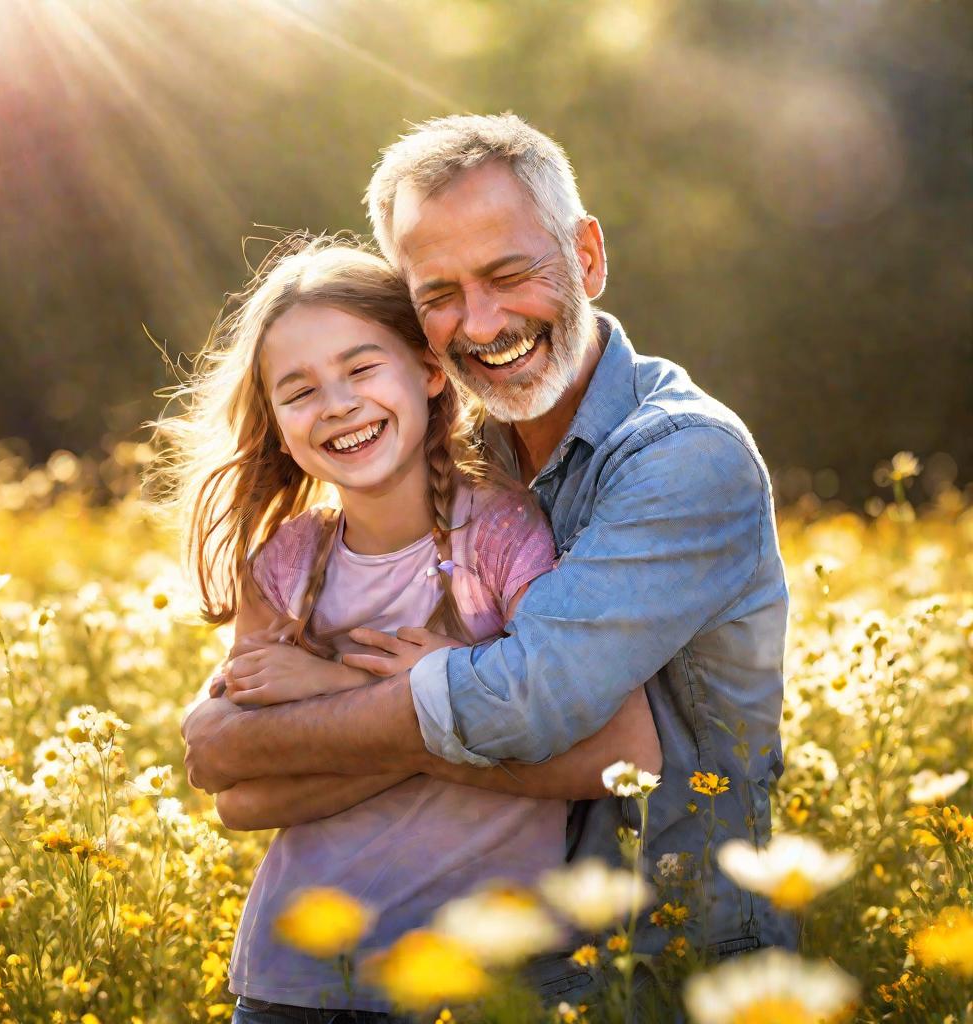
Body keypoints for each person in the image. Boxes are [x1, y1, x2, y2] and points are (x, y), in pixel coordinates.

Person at [183, 113, 789, 983]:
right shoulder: (459, 450)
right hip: (525, 964)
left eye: (511, 274)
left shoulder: (686, 456)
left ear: (586, 256)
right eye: (439, 294)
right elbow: (217, 755)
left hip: (683, 955)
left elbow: (529, 706)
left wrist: (318, 707)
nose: (482, 320)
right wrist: (321, 717)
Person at [164, 236, 661, 1022]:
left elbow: (613, 754)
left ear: (430, 372)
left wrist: (342, 689)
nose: (336, 404)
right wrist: (458, 710)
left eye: (362, 368)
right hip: (294, 980)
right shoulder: (286, 564)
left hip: (480, 979)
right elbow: (237, 792)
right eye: (298, 391)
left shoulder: (506, 535)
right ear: (278, 423)